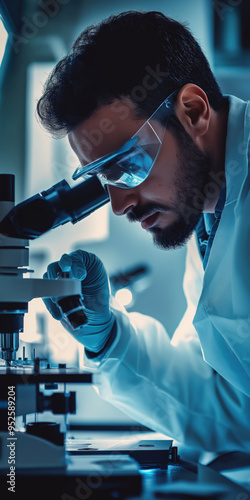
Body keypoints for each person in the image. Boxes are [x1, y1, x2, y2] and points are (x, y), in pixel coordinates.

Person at [37, 11, 250, 452]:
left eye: (127, 166)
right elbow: (230, 408)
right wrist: (108, 337)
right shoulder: (212, 214)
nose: (119, 205)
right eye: (103, 178)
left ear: (192, 111)